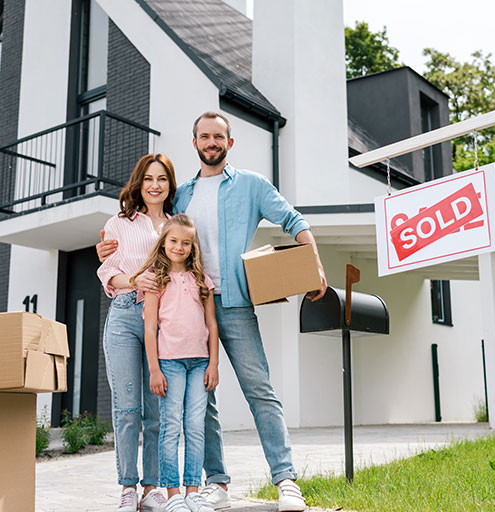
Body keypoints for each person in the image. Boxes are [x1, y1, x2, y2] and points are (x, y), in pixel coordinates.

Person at [98, 112, 327, 512]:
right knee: (201, 400)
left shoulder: (252, 185)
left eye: (218, 136)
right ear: (195, 143)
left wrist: (315, 264)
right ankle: (215, 482)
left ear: (229, 143)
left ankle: (286, 480)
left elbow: (293, 219)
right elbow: (153, 241)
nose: (211, 142)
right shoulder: (181, 196)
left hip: (234, 303)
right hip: (184, 305)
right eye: (204, 136)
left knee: (260, 389)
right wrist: (109, 253)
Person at [97, 153, 177, 512]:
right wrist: (134, 279)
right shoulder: (119, 223)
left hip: (164, 320)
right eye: (148, 179)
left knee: (157, 411)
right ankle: (128, 488)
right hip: (125, 315)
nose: (155, 185)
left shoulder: (178, 226)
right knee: (127, 409)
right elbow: (106, 272)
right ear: (138, 184)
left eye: (162, 179)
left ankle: (153, 488)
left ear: (170, 185)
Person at [132, 214, 219, 512]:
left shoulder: (201, 280)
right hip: (169, 363)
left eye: (186, 243)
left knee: (195, 426)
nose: (179, 247)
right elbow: (150, 328)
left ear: (193, 246)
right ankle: (172, 495)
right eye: (173, 241)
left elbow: (212, 324)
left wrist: (214, 364)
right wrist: (154, 369)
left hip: (199, 363)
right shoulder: (156, 279)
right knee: (171, 427)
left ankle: (193, 490)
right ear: (163, 243)